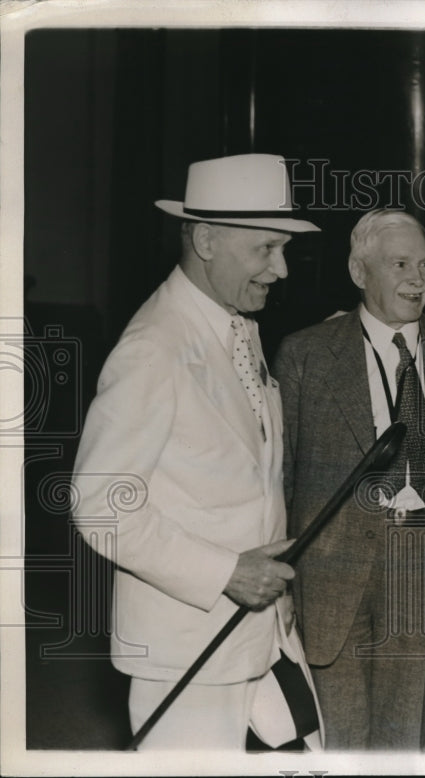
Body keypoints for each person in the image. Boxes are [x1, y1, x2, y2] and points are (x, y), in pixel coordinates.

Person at [72, 153, 322, 749]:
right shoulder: (153, 348)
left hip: (263, 634)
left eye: (283, 249)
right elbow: (101, 507)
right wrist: (228, 573)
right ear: (206, 239)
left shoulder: (235, 323)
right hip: (188, 647)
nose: (281, 269)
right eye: (266, 249)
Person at [274, 209, 425, 750]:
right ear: (359, 270)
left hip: (423, 575)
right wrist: (280, 579)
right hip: (331, 577)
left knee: (401, 742)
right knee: (337, 741)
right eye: (400, 264)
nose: (417, 278)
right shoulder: (305, 354)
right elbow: (282, 477)